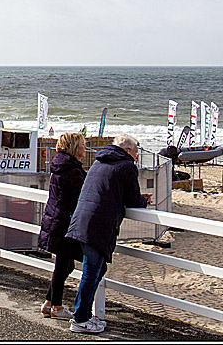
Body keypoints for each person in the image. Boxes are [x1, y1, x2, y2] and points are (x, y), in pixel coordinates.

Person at [65, 134, 151, 334]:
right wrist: (144, 201)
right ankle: (80, 319)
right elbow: (132, 199)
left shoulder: (99, 161)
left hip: (83, 219)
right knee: (91, 271)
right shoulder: (126, 165)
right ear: (128, 150)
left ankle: (83, 314)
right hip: (98, 223)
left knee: (98, 269)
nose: (136, 157)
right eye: (136, 152)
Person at [37, 132, 87, 321]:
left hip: (57, 219)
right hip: (63, 221)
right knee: (63, 264)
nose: (85, 148)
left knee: (67, 264)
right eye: (82, 144)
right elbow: (80, 194)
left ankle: (49, 302)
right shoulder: (70, 170)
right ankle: (56, 306)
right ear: (74, 147)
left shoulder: (62, 165)